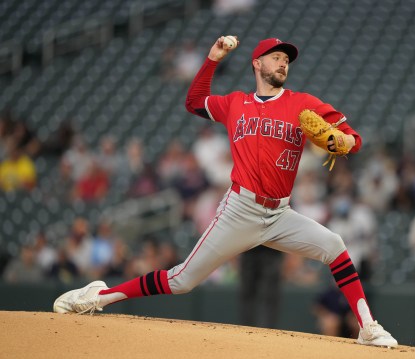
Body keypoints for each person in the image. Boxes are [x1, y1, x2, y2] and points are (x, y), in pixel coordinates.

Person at [53, 36, 397, 348]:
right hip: (240, 210)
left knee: (335, 246)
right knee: (182, 281)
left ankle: (367, 326)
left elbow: (354, 139)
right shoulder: (235, 103)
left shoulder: (301, 103)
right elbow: (193, 102)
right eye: (276, 57)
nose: (283, 63)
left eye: (286, 60)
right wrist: (212, 59)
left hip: (280, 213)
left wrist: (345, 141)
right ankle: (99, 295)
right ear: (257, 63)